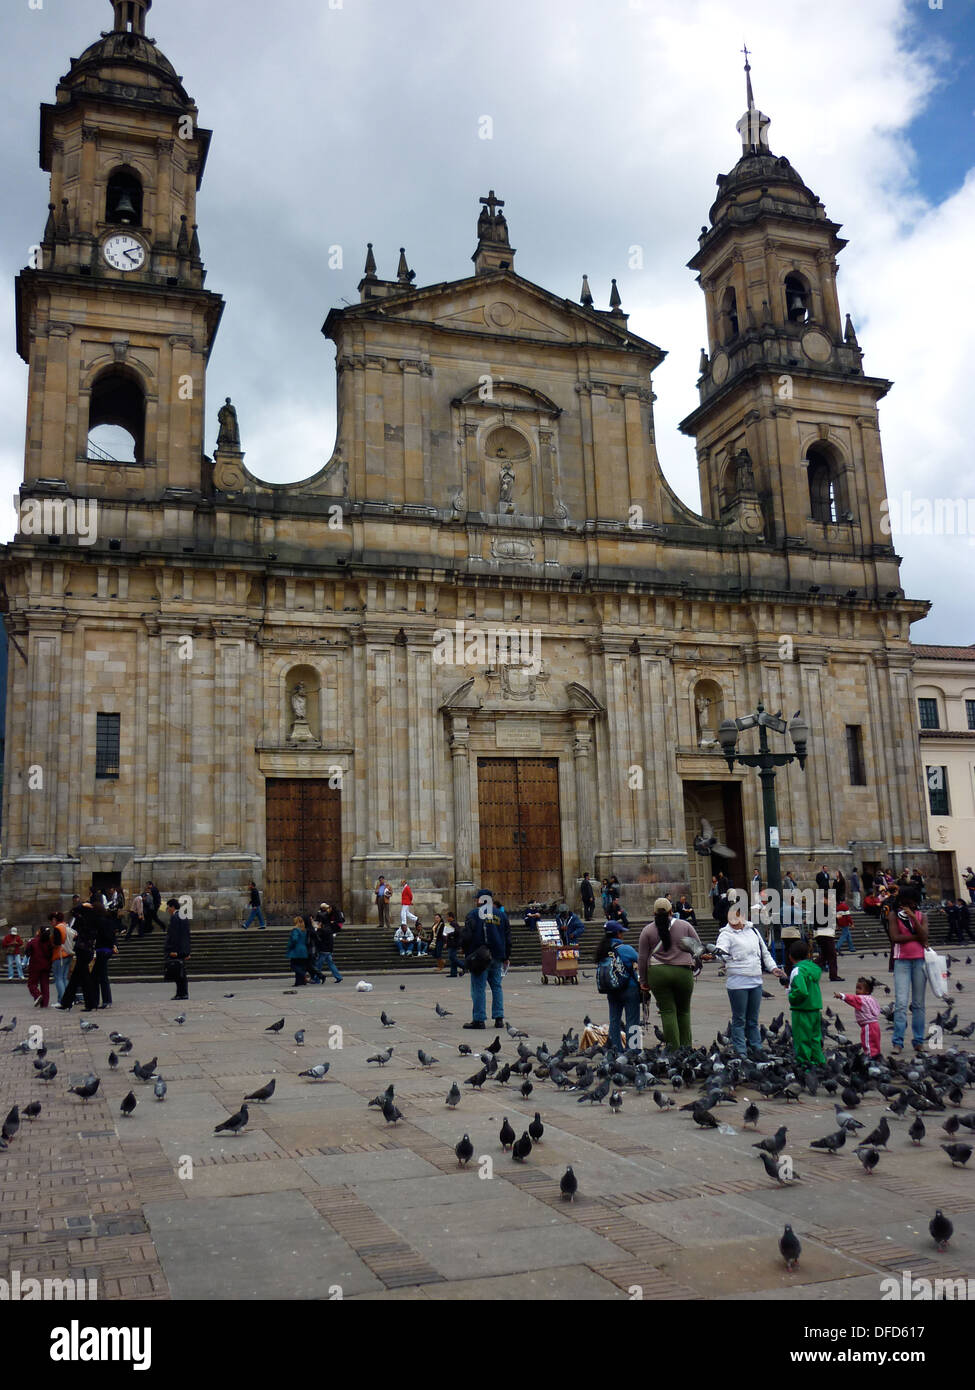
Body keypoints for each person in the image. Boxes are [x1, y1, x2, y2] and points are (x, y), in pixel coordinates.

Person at [715, 904, 785, 1056]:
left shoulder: (753, 931)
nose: (734, 921)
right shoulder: (725, 934)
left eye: (737, 916)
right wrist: (719, 953)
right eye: (731, 918)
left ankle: (756, 1047)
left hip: (755, 980)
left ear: (743, 916)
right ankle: (741, 1051)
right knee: (739, 1019)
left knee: (753, 1019)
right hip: (737, 982)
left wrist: (773, 968)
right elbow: (720, 953)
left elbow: (764, 952)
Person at [637, 898, 701, 1050]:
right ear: (672, 911)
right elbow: (698, 948)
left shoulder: (647, 931)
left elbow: (642, 958)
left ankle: (673, 1051)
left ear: (654, 912)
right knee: (684, 1011)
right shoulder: (685, 926)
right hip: (683, 972)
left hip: (658, 974)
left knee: (667, 1011)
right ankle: (686, 1050)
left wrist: (643, 981)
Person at [460, 889, 510, 1030]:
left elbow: (467, 936)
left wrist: (465, 950)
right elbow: (507, 937)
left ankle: (479, 1019)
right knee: (496, 987)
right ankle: (499, 1018)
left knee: (478, 988)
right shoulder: (501, 915)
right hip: (497, 955)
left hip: (480, 957)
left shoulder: (474, 914)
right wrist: (506, 956)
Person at [886, 891, 928, 1054]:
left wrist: (914, 919)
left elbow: (924, 935)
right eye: (905, 903)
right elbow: (895, 937)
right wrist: (916, 937)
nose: (908, 906)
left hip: (920, 960)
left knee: (918, 1004)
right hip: (901, 961)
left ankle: (918, 1041)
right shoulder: (893, 916)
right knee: (901, 1003)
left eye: (911, 903)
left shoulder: (921, 916)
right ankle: (898, 1042)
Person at [595, 923, 641, 1051]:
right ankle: (633, 1050)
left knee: (614, 1020)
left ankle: (616, 1049)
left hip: (611, 988)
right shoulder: (625, 948)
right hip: (629, 988)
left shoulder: (602, 950)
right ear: (618, 934)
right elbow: (641, 960)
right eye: (621, 932)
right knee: (632, 1020)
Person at [788, 942, 824, 1064]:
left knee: (802, 1038)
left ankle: (805, 1064)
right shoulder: (813, 968)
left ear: (791, 957)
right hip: (815, 1008)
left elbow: (802, 991)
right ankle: (818, 1061)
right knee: (815, 1038)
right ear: (808, 955)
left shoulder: (797, 970)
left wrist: (791, 997)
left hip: (801, 1010)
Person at [57, 904, 98, 1012]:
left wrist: (82, 905)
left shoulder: (84, 921)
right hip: (87, 951)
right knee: (75, 978)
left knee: (84, 979)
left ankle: (90, 1004)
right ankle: (66, 1002)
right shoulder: (94, 921)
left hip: (82, 951)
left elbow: (73, 911)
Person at [834, 978, 881, 1058]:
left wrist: (841, 996)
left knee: (867, 1044)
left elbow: (851, 999)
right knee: (875, 1043)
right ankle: (877, 1057)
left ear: (866, 991)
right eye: (856, 988)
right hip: (875, 1024)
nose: (857, 991)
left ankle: (870, 1059)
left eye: (859, 988)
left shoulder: (861, 999)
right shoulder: (871, 999)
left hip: (867, 1026)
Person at [165, 898, 191, 1000]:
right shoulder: (183, 916)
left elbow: (174, 936)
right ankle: (182, 993)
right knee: (181, 972)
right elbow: (187, 935)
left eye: (168, 908)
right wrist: (188, 951)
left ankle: (181, 993)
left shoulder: (175, 917)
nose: (168, 910)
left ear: (172, 907)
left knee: (178, 972)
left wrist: (173, 950)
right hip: (183, 949)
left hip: (177, 949)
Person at [25, 924, 55, 1009]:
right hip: (46, 965)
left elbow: (27, 953)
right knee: (45, 985)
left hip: (35, 965)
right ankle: (44, 1003)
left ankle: (37, 995)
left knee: (32, 984)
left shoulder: (33, 941)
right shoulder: (50, 942)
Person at [92, 906, 117, 1009]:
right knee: (101, 976)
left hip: (101, 950)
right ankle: (105, 1000)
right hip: (107, 950)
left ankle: (102, 1001)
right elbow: (112, 936)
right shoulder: (109, 921)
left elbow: (101, 936)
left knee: (99, 976)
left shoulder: (98, 922)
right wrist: (113, 945)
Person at [314, 904, 344, 981]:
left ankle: (316, 978)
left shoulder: (323, 929)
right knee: (330, 963)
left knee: (318, 964)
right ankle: (338, 977)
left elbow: (318, 938)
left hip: (324, 949)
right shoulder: (329, 927)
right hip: (328, 949)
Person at [49, 912, 72, 1004]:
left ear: (55, 920)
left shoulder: (58, 928)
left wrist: (51, 944)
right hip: (68, 953)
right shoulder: (66, 926)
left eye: (51, 920)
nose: (51, 922)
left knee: (58, 978)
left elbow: (57, 943)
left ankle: (62, 1000)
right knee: (64, 978)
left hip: (59, 955)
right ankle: (68, 998)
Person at [287, 916, 310, 984]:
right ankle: (299, 982)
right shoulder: (304, 930)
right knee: (300, 965)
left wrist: (290, 946)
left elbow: (294, 939)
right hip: (303, 949)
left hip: (296, 950)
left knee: (294, 966)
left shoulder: (296, 930)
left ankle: (303, 976)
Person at [444, 910, 461, 977]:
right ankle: (453, 973)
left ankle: (463, 965)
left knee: (452, 957)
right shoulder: (450, 924)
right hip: (450, 943)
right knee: (452, 958)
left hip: (454, 943)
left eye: (447, 917)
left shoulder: (454, 923)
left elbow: (458, 932)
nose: (447, 918)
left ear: (451, 917)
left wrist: (450, 933)